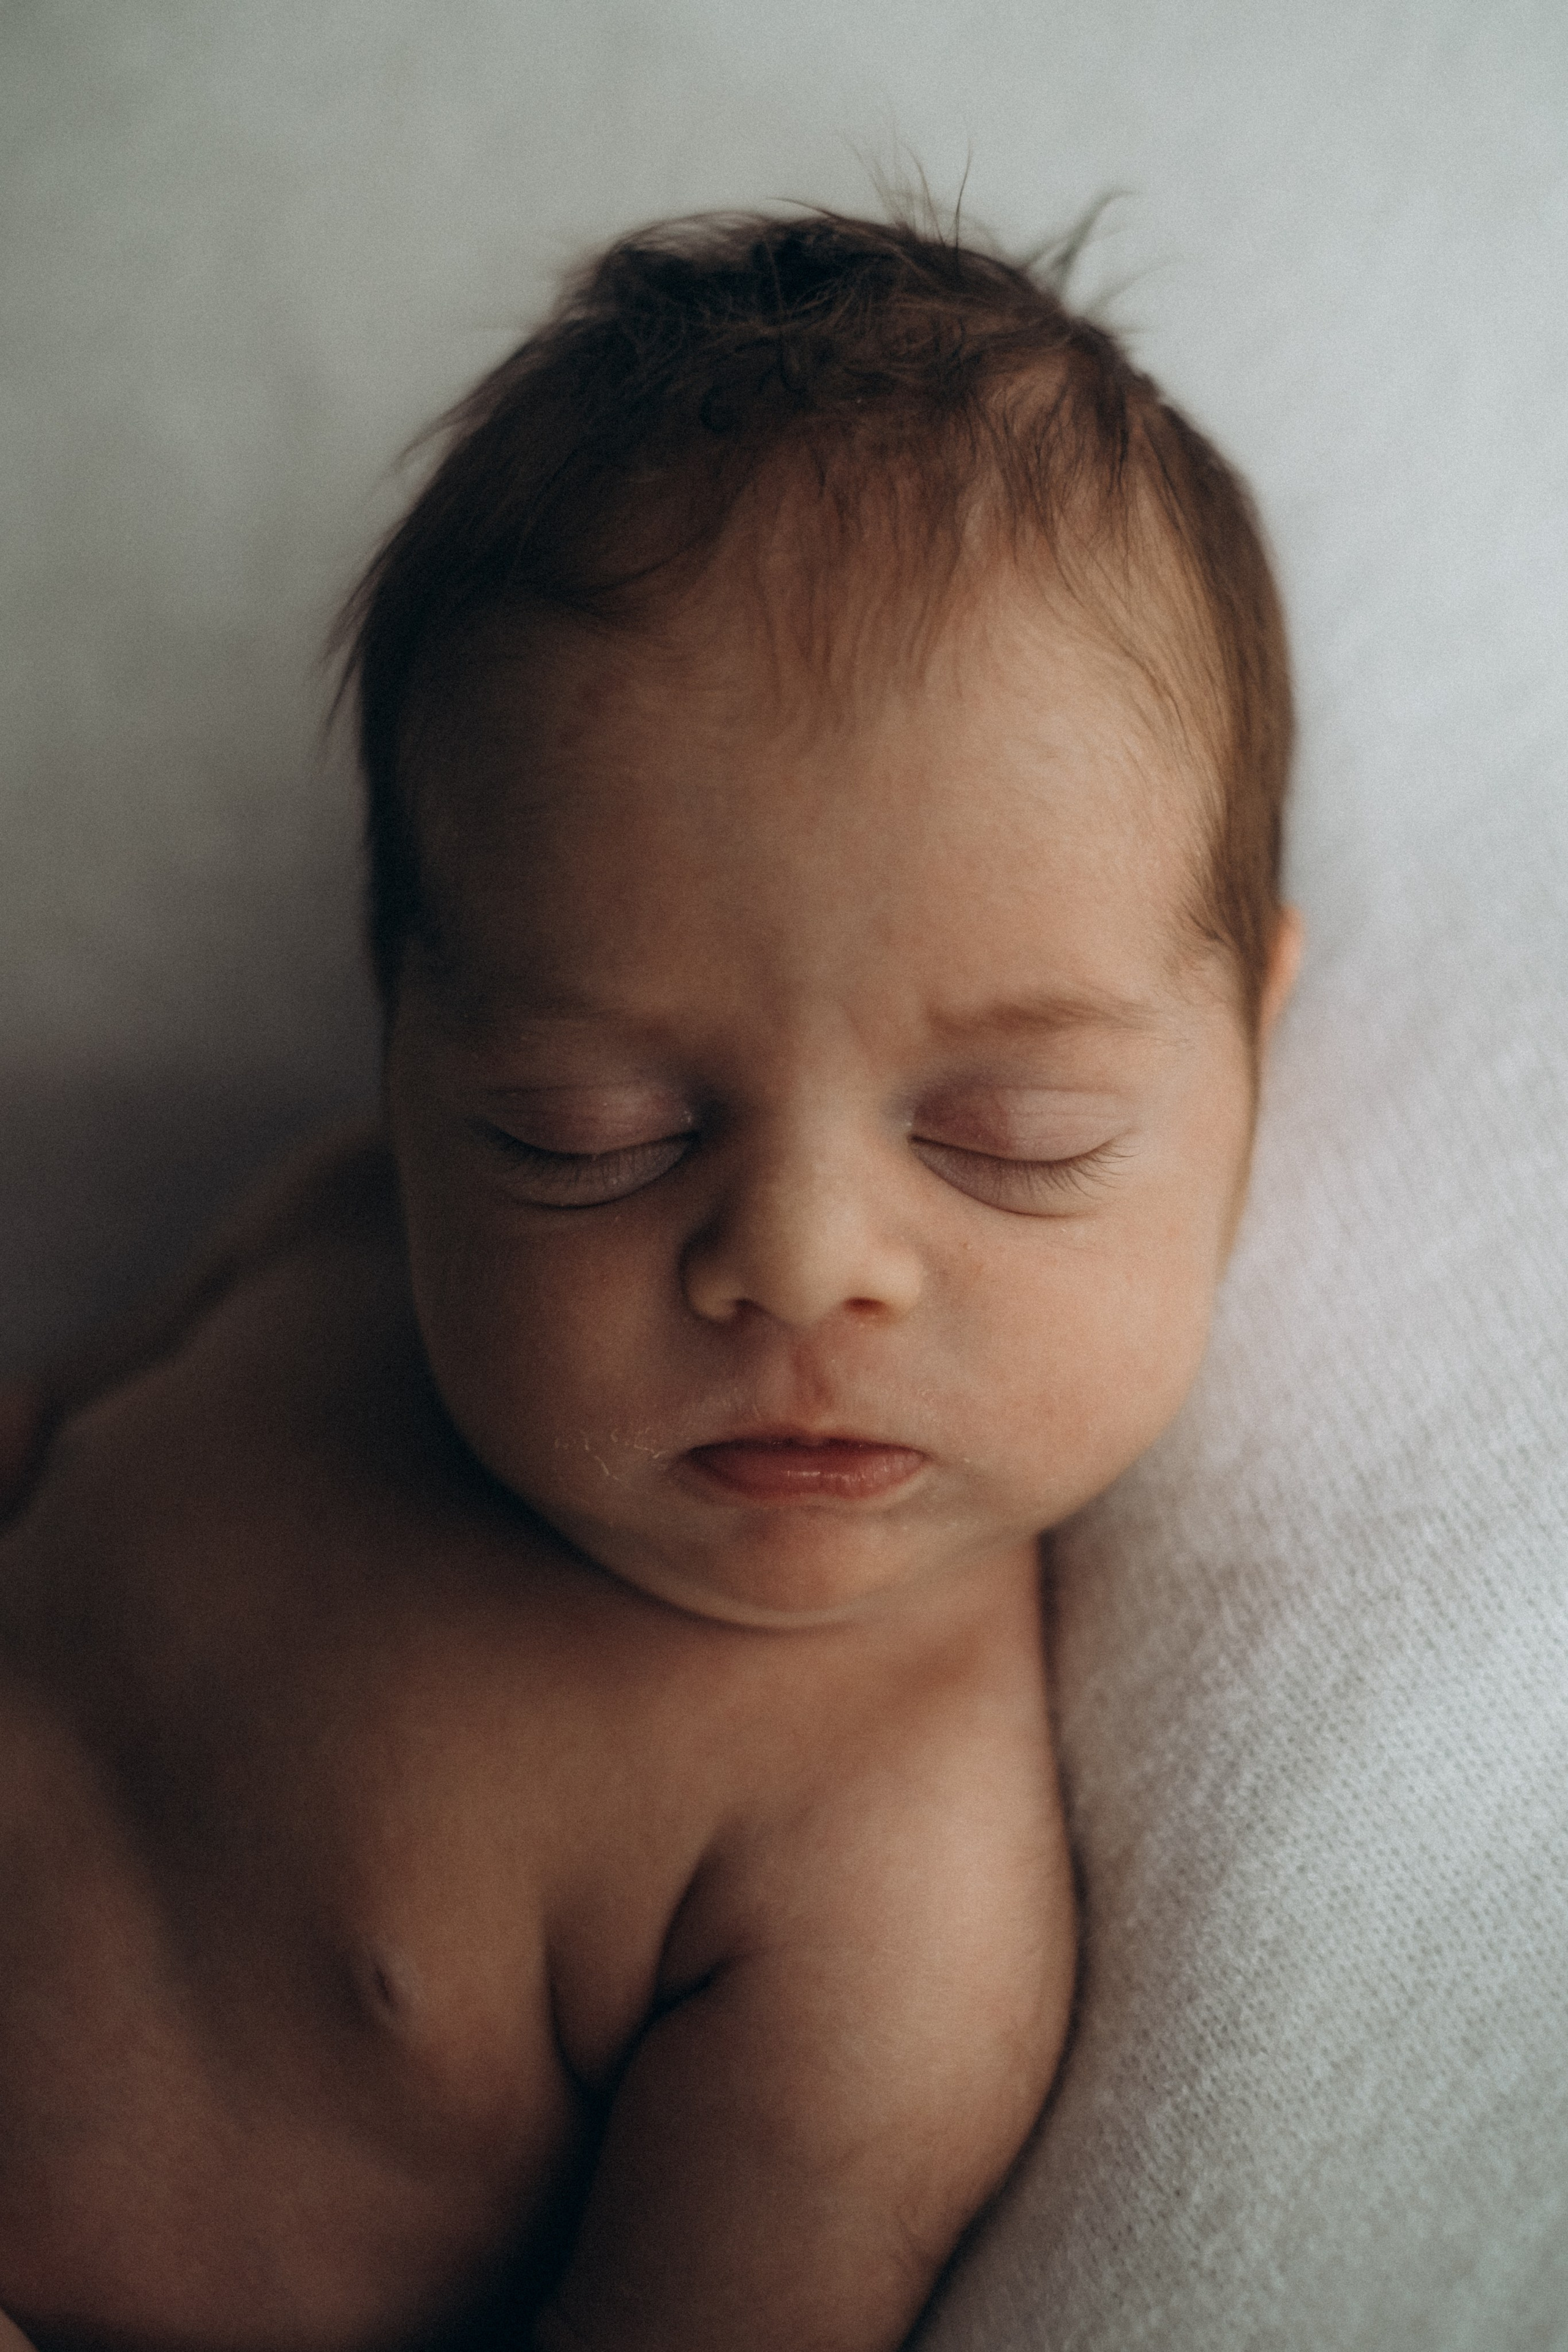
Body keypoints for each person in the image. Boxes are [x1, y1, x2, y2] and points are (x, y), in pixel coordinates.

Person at [0, 208, 1301, 2351]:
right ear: (409, 1051)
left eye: (1013, 1138)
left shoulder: (887, 1871)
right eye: (581, 1132)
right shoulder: (336, 1234)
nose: (799, 1264)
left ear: (1249, 1037)